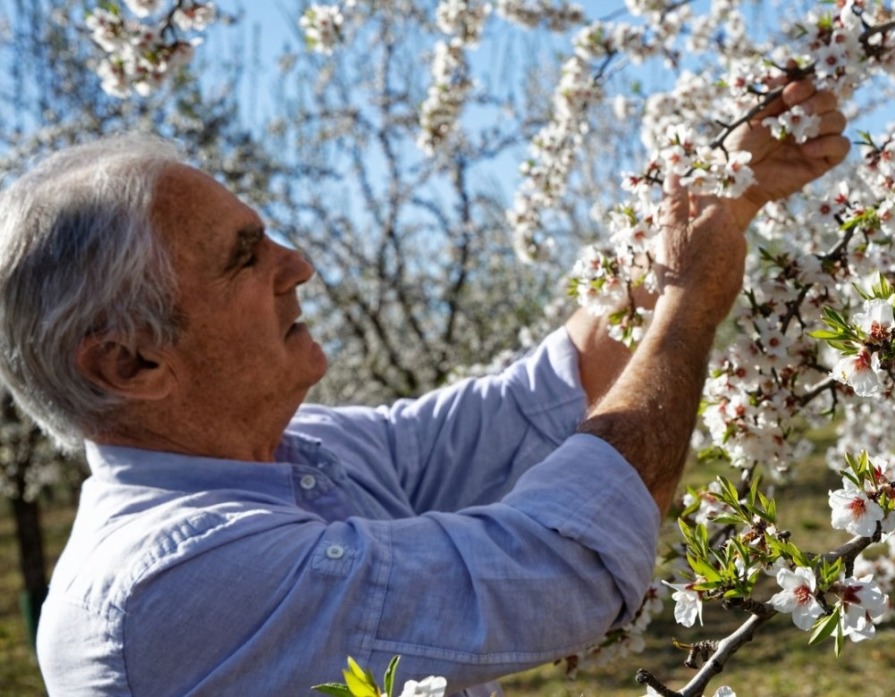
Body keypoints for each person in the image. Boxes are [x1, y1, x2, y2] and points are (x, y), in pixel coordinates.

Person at [0, 79, 848, 696]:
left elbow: (532, 404)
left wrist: (714, 204)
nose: (300, 265)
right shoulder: (169, 583)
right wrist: (690, 304)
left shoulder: (308, 451)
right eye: (245, 257)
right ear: (130, 365)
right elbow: (562, 567)